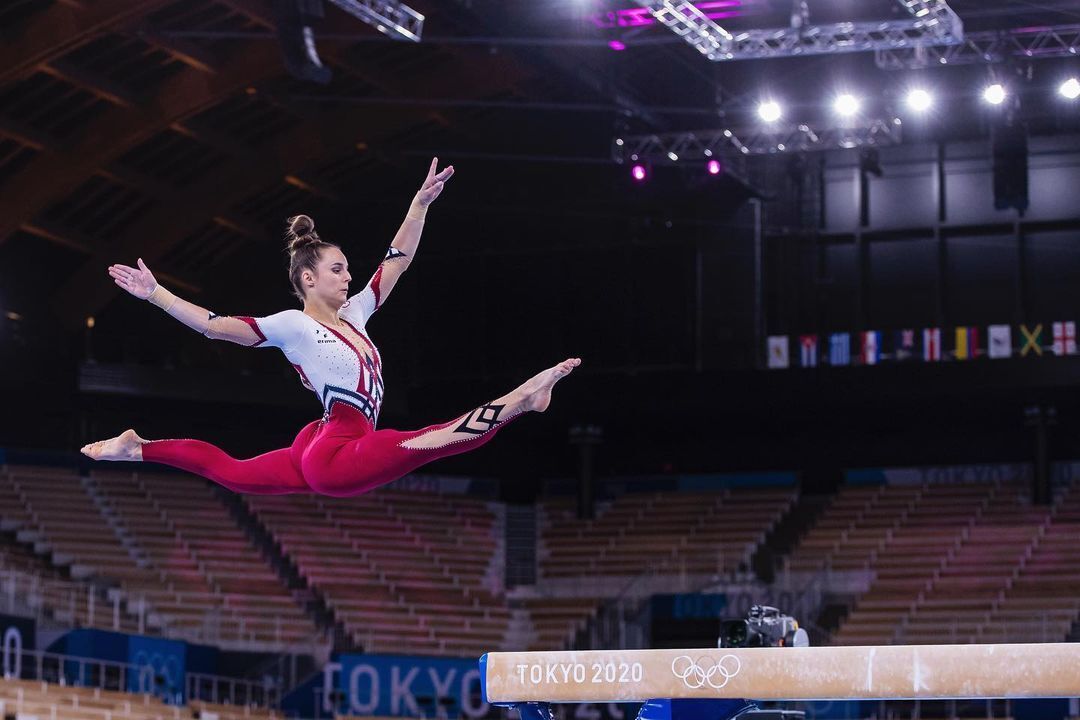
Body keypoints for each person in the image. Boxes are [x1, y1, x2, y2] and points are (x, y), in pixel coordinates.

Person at [81, 159, 581, 497]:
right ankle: (525, 397)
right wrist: (155, 294)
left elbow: (398, 260)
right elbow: (214, 327)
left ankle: (137, 448)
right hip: (336, 450)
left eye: (347, 269)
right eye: (337, 269)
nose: (348, 276)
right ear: (307, 278)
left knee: (232, 473)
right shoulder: (293, 326)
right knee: (437, 438)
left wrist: (420, 204)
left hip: (327, 438)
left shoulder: (357, 313)